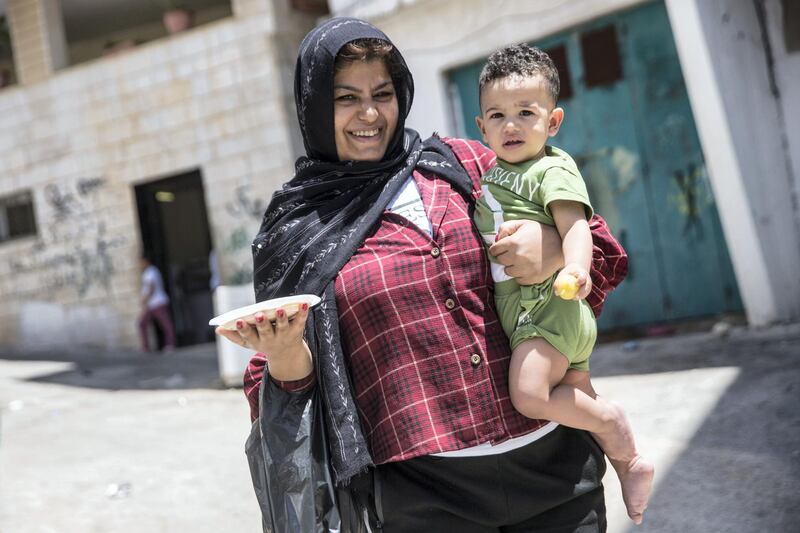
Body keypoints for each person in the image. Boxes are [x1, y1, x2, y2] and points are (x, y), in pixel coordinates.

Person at [216, 18, 627, 532]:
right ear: (315, 106)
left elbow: (600, 247)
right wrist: (281, 353)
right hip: (425, 499)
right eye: (346, 98)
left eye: (382, 93)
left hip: (555, 471)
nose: (369, 113)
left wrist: (550, 250)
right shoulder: (299, 229)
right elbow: (283, 388)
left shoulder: (470, 164)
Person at [473, 44, 654, 525]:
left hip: (548, 308)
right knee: (579, 399)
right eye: (498, 115)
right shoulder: (492, 175)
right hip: (535, 314)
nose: (511, 125)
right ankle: (630, 464)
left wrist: (577, 269)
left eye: (525, 113)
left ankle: (614, 421)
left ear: (552, 122)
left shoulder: (550, 169)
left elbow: (575, 228)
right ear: (481, 128)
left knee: (529, 395)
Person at [138, 254, 176, 352]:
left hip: (158, 303)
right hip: (152, 305)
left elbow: (152, 287)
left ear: (146, 261)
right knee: (142, 323)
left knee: (166, 324)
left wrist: (144, 299)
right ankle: (146, 347)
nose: (140, 264)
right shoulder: (148, 272)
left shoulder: (151, 272)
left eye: (141, 262)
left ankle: (170, 344)